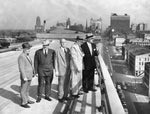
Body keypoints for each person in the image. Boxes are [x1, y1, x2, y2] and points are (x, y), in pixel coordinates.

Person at [18, 42, 35, 108]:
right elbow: (21, 68)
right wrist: (24, 76)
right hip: (25, 76)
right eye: (27, 49)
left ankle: (27, 100)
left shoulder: (27, 55)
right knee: (23, 90)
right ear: (24, 49)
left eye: (29, 49)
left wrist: (33, 72)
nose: (29, 50)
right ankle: (23, 103)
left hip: (29, 75)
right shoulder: (21, 56)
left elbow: (30, 65)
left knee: (27, 89)